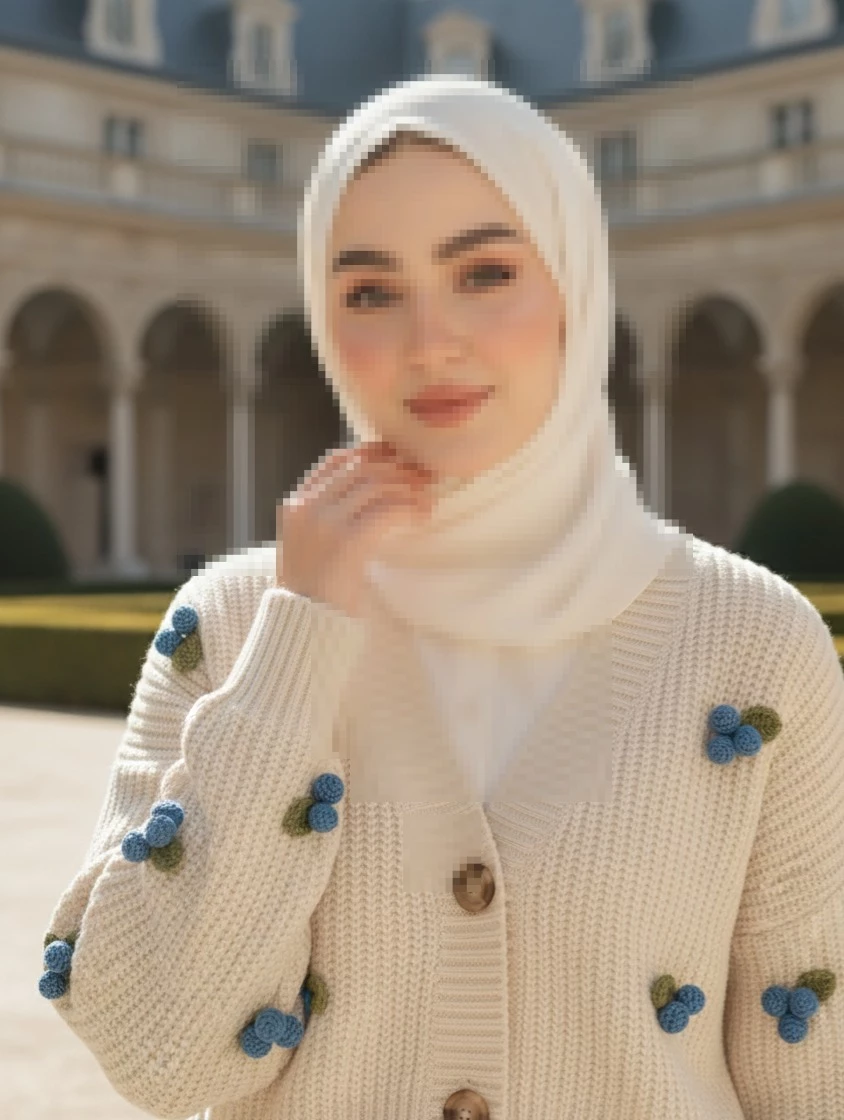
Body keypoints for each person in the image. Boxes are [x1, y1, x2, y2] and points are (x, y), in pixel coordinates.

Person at [40, 76, 843, 1120]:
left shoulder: (755, 645)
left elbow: (815, 1081)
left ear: (575, 286)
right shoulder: (234, 624)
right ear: (325, 321)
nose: (430, 340)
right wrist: (299, 643)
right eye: (371, 291)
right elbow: (159, 1052)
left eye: (485, 272)